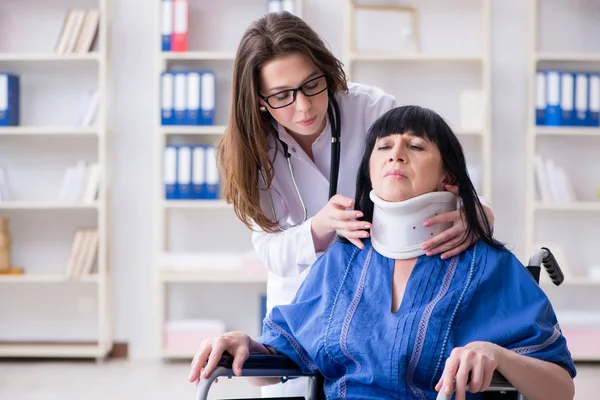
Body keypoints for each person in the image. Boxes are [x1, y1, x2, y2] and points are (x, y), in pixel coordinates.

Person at [189, 106, 576, 400]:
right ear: (370, 171)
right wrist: (245, 346)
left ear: (449, 178)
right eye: (384, 146)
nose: (396, 153)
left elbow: (561, 388)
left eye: (417, 145)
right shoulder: (343, 261)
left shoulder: (489, 266)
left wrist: (497, 355)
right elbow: (274, 366)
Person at [216, 11, 495, 396]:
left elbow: (445, 181)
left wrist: (476, 215)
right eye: (282, 96)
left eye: (312, 84)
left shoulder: (371, 109)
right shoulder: (250, 150)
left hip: (376, 299)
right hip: (303, 308)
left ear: (326, 71)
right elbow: (272, 251)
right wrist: (320, 226)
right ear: (259, 101)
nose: (304, 107)